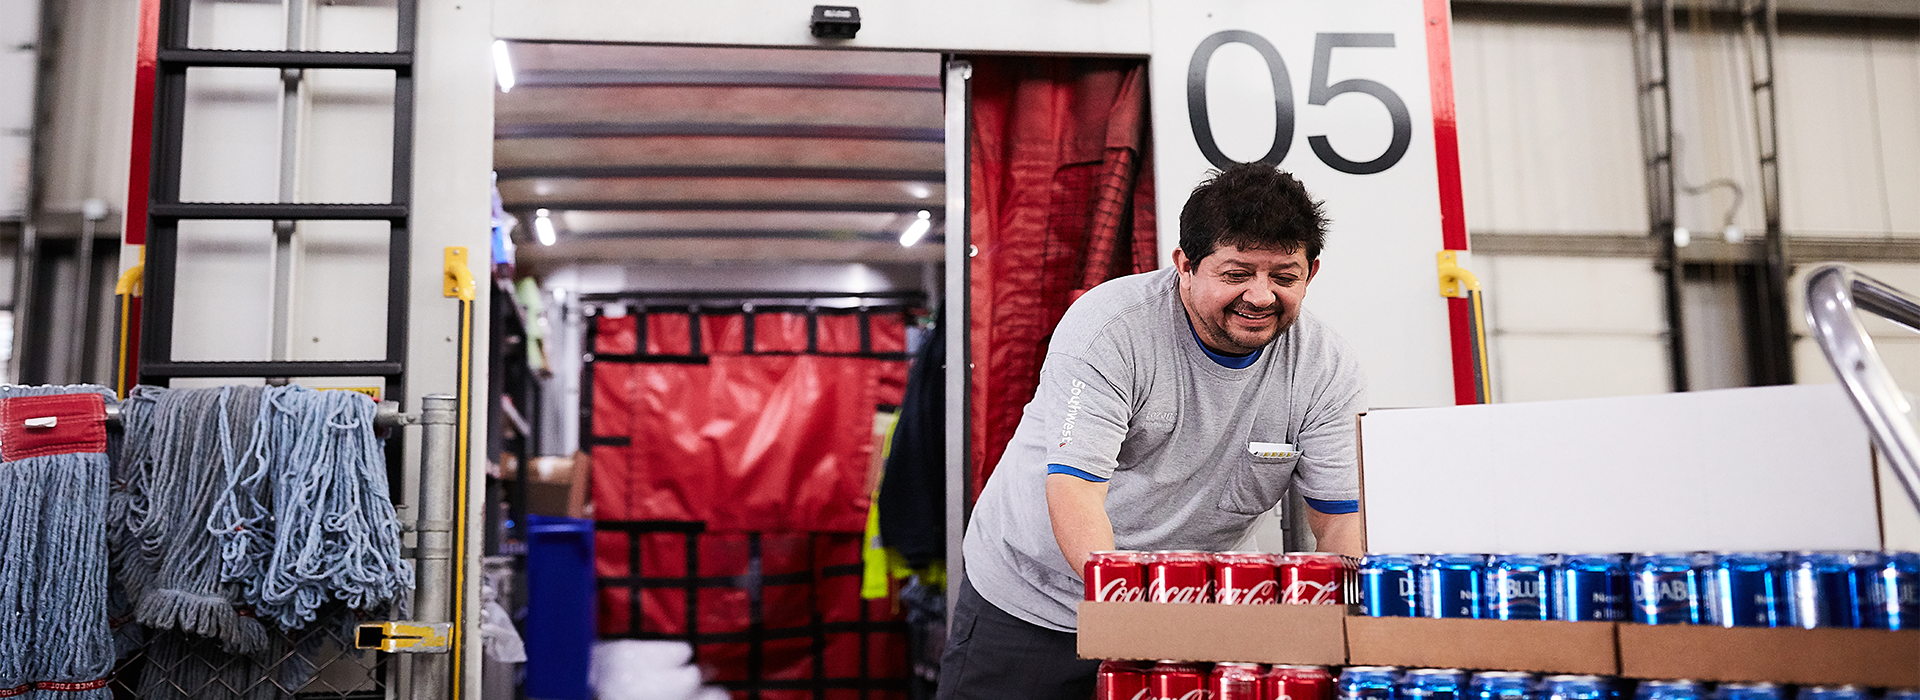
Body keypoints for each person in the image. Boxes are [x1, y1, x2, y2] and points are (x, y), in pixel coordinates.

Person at [934, 163, 1366, 700]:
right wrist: (1131, 621)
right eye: (1236, 274)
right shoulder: (1111, 329)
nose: (1260, 296)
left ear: (1311, 273)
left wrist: (1340, 626)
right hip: (1034, 602)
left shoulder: (1324, 366)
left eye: (1283, 276)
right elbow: (1075, 490)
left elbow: (1341, 517)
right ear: (1184, 265)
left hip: (1187, 616)